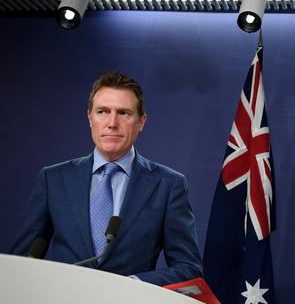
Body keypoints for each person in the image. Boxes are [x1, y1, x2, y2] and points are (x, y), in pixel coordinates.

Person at [11, 71, 203, 285]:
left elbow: (189, 269)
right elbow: (22, 261)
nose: (112, 122)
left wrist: (130, 284)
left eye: (124, 113)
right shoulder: (53, 179)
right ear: (89, 118)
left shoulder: (168, 185)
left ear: (141, 121)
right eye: (102, 111)